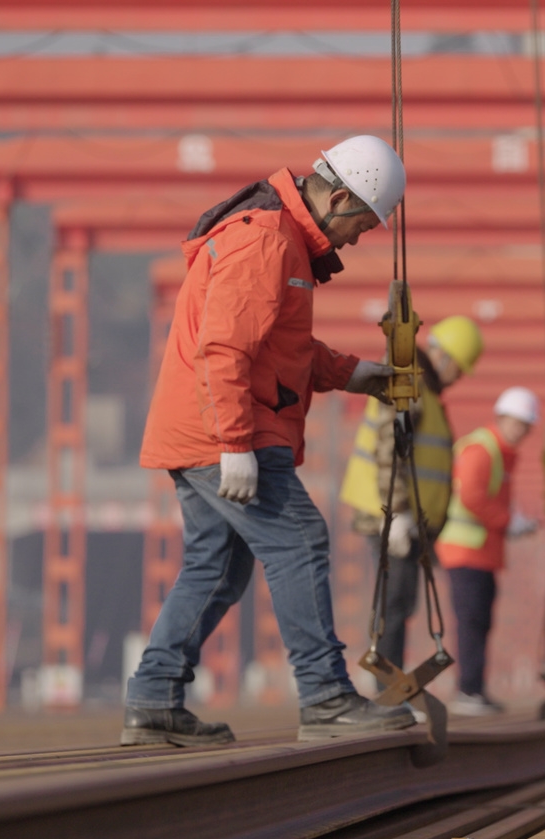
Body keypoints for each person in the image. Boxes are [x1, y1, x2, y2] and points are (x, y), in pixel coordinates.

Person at [124, 135, 415, 746]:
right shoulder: (264, 240)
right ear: (338, 197)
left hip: (210, 427)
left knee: (216, 569)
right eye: (361, 223)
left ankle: (154, 698)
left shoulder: (278, 241)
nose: (358, 240)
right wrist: (234, 444)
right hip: (228, 429)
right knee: (299, 540)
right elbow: (225, 349)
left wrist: (358, 376)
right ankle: (327, 697)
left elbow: (281, 349)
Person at [339, 315, 483, 667]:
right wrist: (399, 512)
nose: (457, 379)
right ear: (446, 357)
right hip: (391, 516)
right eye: (460, 370)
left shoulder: (424, 389)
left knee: (400, 602)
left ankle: (391, 686)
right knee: (395, 602)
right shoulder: (410, 383)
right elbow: (390, 444)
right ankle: (387, 688)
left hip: (405, 519)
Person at [434, 387, 540, 715]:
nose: (521, 431)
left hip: (481, 552)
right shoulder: (483, 449)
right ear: (502, 418)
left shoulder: (497, 452)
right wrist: (508, 522)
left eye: (526, 426)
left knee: (479, 622)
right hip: (466, 550)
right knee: (471, 620)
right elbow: (472, 497)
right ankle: (468, 690)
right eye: (518, 423)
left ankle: (474, 688)